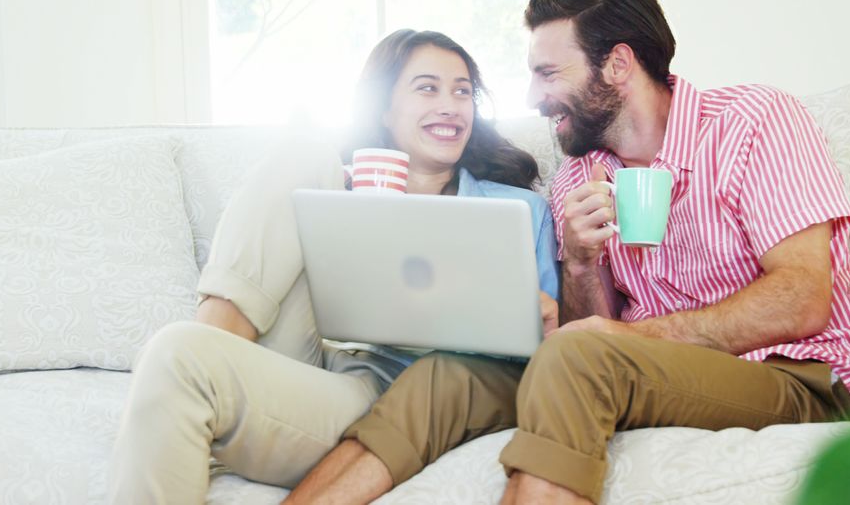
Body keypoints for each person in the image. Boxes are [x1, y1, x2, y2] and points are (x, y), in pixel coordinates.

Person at [286, 0, 850, 505]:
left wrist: (627, 336)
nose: (534, 97)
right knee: (442, 378)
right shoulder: (577, 176)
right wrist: (583, 267)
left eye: (547, 73)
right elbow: (588, 329)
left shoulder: (754, 121)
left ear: (617, 65)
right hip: (649, 378)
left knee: (581, 354)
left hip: (791, 378)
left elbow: (803, 296)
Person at [107, 28, 559, 504]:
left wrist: (537, 314)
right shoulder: (338, 190)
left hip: (395, 397)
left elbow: (547, 353)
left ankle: (200, 370)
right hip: (320, 364)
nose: (450, 104)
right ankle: (213, 344)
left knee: (177, 355)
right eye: (427, 88)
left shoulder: (520, 210)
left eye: (462, 91)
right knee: (306, 154)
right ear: (384, 109)